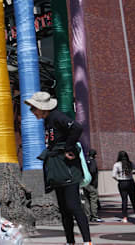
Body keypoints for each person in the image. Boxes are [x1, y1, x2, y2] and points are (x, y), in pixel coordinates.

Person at [28, 91, 92, 245]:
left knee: (74, 206)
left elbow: (76, 128)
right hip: (57, 167)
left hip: (67, 167)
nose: (32, 111)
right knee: (63, 208)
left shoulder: (57, 116)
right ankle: (70, 241)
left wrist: (68, 148)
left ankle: (87, 242)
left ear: (43, 108)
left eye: (34, 108)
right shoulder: (48, 121)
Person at [112, 150, 135, 222]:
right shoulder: (130, 163)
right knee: (134, 200)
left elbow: (113, 175)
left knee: (124, 200)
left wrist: (118, 179)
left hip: (122, 182)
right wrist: (133, 173)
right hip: (131, 182)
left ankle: (125, 217)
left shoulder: (117, 164)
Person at [82, 149, 103, 222]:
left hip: (85, 183)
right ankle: (94, 216)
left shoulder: (85, 161)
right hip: (91, 184)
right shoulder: (92, 161)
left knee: (87, 199)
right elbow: (93, 170)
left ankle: (87, 216)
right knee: (93, 199)